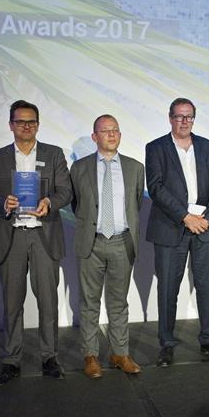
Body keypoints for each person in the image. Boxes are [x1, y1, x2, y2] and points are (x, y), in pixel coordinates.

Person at [0, 100, 72, 383]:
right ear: (11, 125)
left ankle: (49, 356)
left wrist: (49, 201)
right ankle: (11, 359)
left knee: (48, 301)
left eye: (31, 121)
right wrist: (2, 203)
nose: (26, 126)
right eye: (20, 122)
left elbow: (65, 191)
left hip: (44, 234)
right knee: (12, 303)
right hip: (12, 235)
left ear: (38, 125)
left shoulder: (54, 154)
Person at [146, 97, 209, 366]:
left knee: (206, 286)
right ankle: (166, 343)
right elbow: (156, 188)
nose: (184, 121)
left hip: (204, 226)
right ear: (170, 118)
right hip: (171, 227)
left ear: (194, 118)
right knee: (169, 287)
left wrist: (207, 217)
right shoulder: (155, 147)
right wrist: (185, 217)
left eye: (189, 116)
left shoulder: (206, 146)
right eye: (179, 116)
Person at [71, 115, 145, 378]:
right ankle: (90, 355)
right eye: (105, 131)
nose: (112, 135)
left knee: (118, 303)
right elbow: (77, 204)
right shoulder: (79, 168)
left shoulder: (136, 168)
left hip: (122, 242)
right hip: (91, 242)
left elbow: (136, 204)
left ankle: (120, 354)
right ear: (95, 137)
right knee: (89, 302)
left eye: (115, 130)